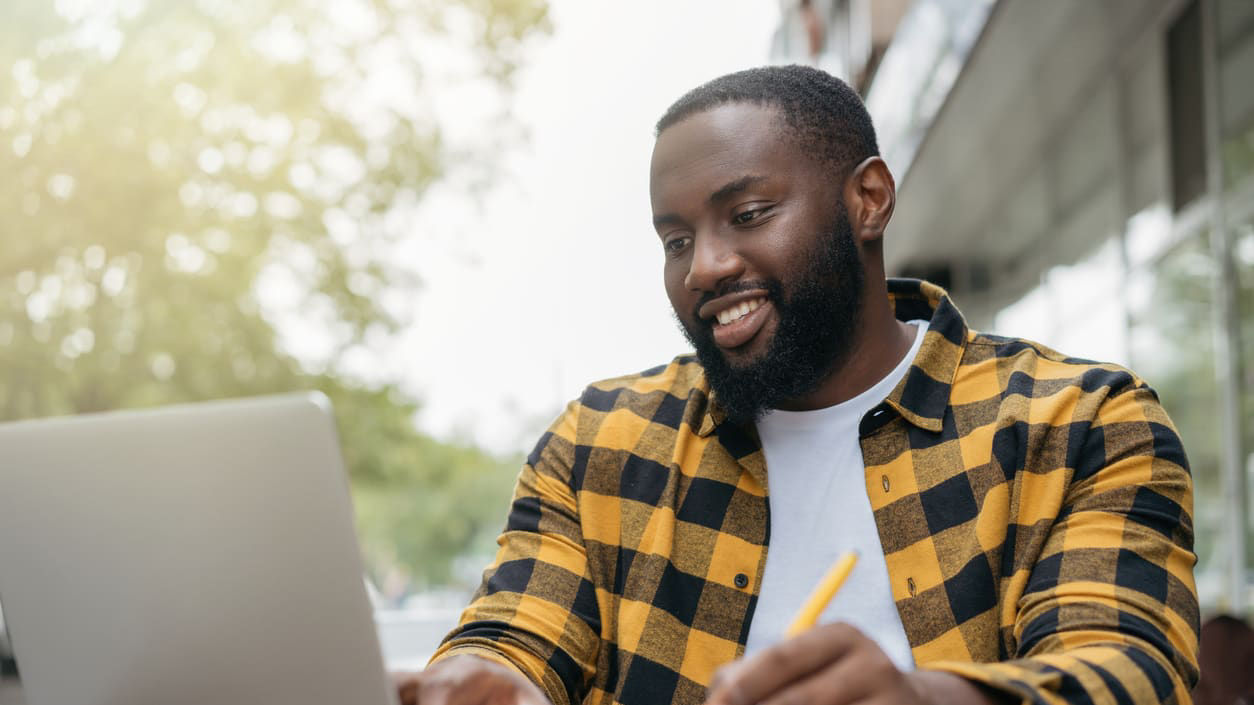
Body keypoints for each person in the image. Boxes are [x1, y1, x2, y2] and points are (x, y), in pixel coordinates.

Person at [396, 65, 1200, 705]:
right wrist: (488, 679)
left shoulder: (1080, 421)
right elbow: (517, 630)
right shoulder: (600, 440)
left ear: (869, 200)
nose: (704, 265)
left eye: (747, 213)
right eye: (676, 239)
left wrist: (924, 698)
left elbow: (1127, 669)